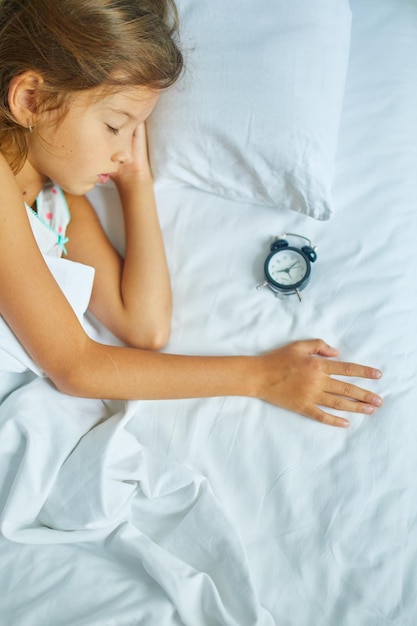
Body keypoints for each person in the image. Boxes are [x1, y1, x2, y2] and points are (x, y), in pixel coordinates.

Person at [0, 0, 382, 429]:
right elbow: (76, 367)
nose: (124, 151)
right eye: (114, 125)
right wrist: (262, 377)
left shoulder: (57, 205)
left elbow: (144, 326)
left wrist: (136, 183)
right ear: (31, 99)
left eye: (136, 131)